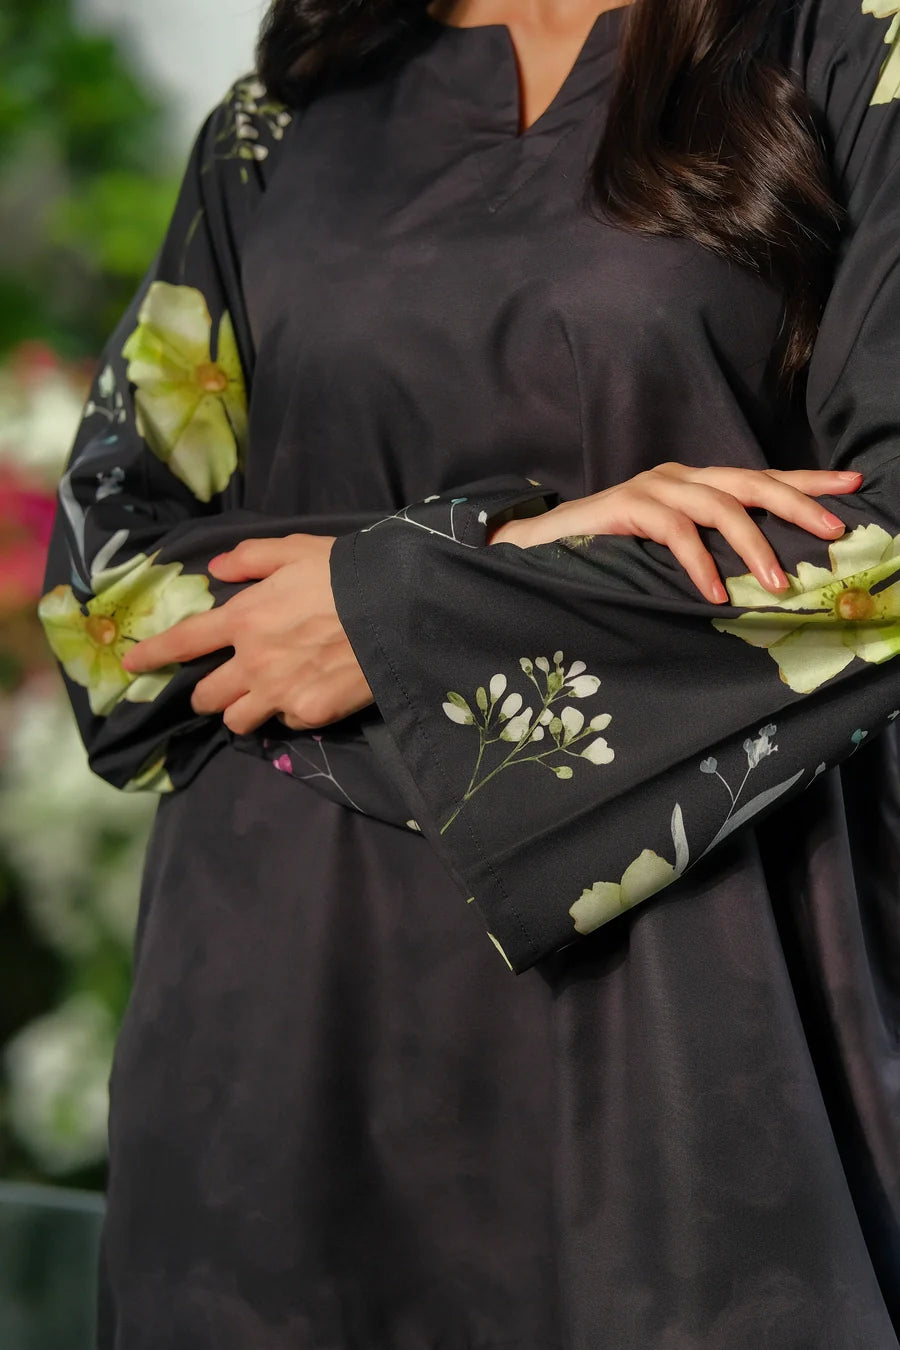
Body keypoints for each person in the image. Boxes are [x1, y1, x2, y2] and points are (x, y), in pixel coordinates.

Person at [39, 0, 900, 1343]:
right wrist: (480, 546)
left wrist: (405, 598)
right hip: (273, 1020)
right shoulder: (282, 120)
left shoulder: (845, 52)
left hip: (690, 1015)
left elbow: (888, 553)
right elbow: (104, 607)